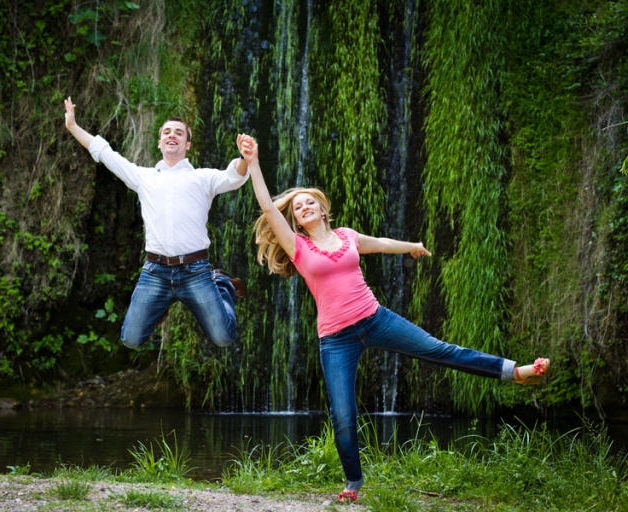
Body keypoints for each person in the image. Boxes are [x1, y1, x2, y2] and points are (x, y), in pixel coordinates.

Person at [236, 133, 550, 503]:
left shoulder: (348, 236)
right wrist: (254, 162)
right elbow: (268, 208)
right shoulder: (297, 246)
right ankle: (353, 483)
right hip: (335, 339)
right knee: (343, 414)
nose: (303, 207)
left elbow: (381, 244)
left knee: (440, 350)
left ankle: (515, 372)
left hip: (375, 319)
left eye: (310, 202)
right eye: (298, 207)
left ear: (322, 210)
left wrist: (412, 246)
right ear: (297, 219)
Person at [64, 96, 249, 349]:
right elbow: (105, 154)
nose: (172, 135)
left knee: (223, 337)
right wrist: (73, 126)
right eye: (167, 132)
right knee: (131, 340)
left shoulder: (202, 178)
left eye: (179, 133)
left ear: (187, 144)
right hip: (156, 272)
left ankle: (223, 283)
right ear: (159, 142)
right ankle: (160, 304)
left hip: (195, 271)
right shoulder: (144, 177)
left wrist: (244, 156)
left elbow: (234, 177)